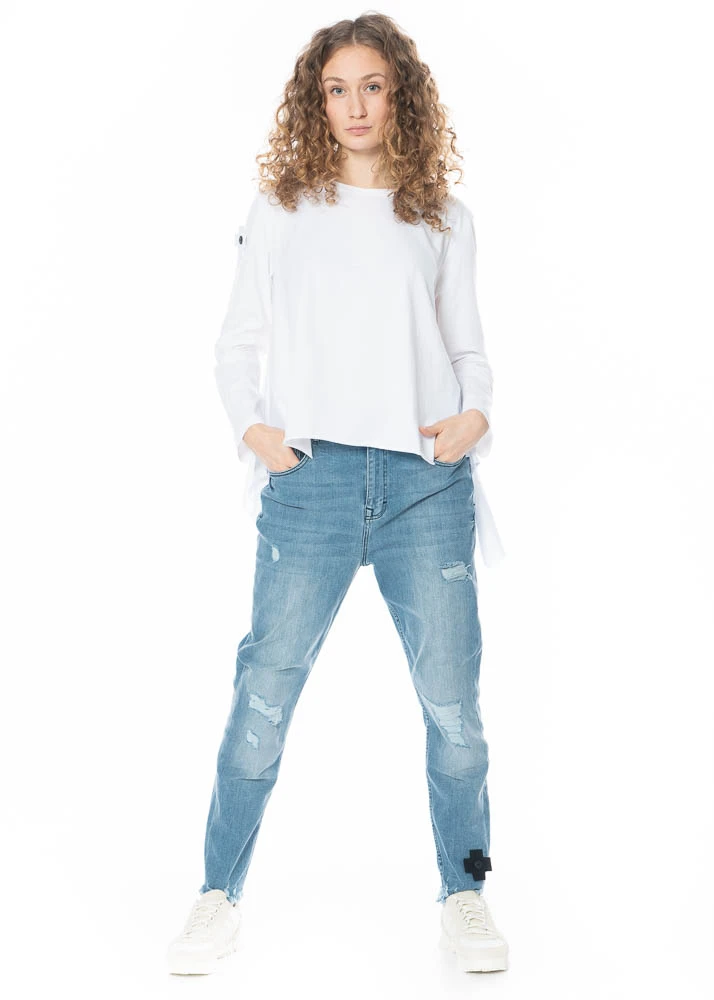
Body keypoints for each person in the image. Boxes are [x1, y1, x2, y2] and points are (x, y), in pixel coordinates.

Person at [167, 12, 508, 976]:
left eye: (372, 86)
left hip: (423, 485)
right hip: (308, 484)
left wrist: (475, 416)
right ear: (315, 103)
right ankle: (216, 896)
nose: (355, 105)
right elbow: (236, 342)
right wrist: (254, 431)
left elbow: (469, 349)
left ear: (401, 94)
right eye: (336, 89)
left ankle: (467, 891)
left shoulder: (442, 217)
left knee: (454, 709)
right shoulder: (284, 208)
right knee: (263, 695)